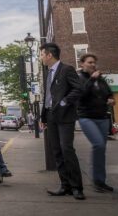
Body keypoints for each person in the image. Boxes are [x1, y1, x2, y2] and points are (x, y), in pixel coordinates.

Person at [39, 42, 85, 200]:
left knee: (67, 150)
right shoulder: (48, 73)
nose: (41, 58)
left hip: (65, 117)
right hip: (51, 117)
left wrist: (65, 102)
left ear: (49, 55)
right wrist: (43, 117)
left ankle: (77, 187)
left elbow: (78, 89)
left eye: (41, 54)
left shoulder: (66, 69)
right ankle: (65, 186)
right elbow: (48, 97)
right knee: (57, 152)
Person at [77, 53, 115, 193]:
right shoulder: (79, 78)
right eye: (89, 62)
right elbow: (81, 95)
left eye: (94, 62)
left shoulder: (101, 79)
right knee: (98, 144)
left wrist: (111, 99)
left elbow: (109, 94)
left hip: (102, 117)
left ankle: (100, 181)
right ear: (82, 64)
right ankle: (97, 180)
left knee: (101, 149)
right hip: (86, 117)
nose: (93, 65)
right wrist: (92, 80)